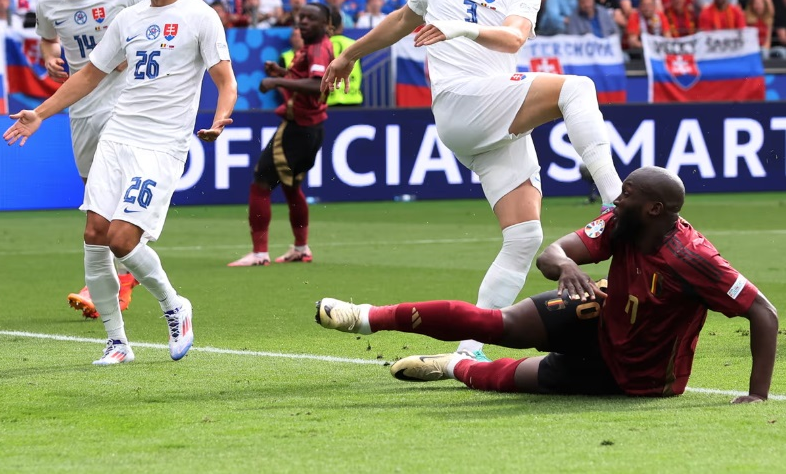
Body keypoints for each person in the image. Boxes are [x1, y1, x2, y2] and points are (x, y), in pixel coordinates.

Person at [321, 0, 624, 361]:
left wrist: (459, 28)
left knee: (523, 238)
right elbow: (404, 20)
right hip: (460, 101)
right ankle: (615, 204)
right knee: (576, 87)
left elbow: (515, 37)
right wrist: (349, 54)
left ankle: (469, 350)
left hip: (492, 115)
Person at [316, 167, 778, 402]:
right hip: (602, 314)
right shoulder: (621, 222)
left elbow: (764, 312)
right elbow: (551, 255)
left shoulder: (693, 258)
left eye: (628, 193)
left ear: (655, 209)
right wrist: (568, 268)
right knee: (497, 323)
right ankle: (365, 318)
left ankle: (455, 367)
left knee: (508, 381)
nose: (618, 197)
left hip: (637, 374)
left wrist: (758, 394)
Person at [5, 0, 236, 365]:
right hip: (118, 135)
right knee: (94, 235)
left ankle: (174, 305)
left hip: (161, 144)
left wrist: (221, 115)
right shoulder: (128, 19)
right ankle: (117, 343)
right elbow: (87, 76)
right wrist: (40, 113)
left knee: (122, 237)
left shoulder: (200, 16)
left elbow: (225, 78)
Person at [33, 0, 147, 320]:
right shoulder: (48, 2)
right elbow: (48, 41)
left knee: (119, 189)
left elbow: (157, 19)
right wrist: (50, 59)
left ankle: (113, 282)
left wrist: (128, 53)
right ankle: (120, 282)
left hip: (124, 100)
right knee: (94, 191)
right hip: (81, 107)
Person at [229, 4, 334, 267]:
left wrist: (277, 82)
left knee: (260, 183)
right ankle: (300, 248)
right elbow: (306, 80)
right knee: (290, 186)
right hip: (309, 128)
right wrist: (283, 73)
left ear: (326, 24)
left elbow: (316, 85)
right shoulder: (311, 48)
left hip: (298, 128)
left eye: (312, 18)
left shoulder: (320, 48)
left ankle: (259, 253)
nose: (304, 23)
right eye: (302, 18)